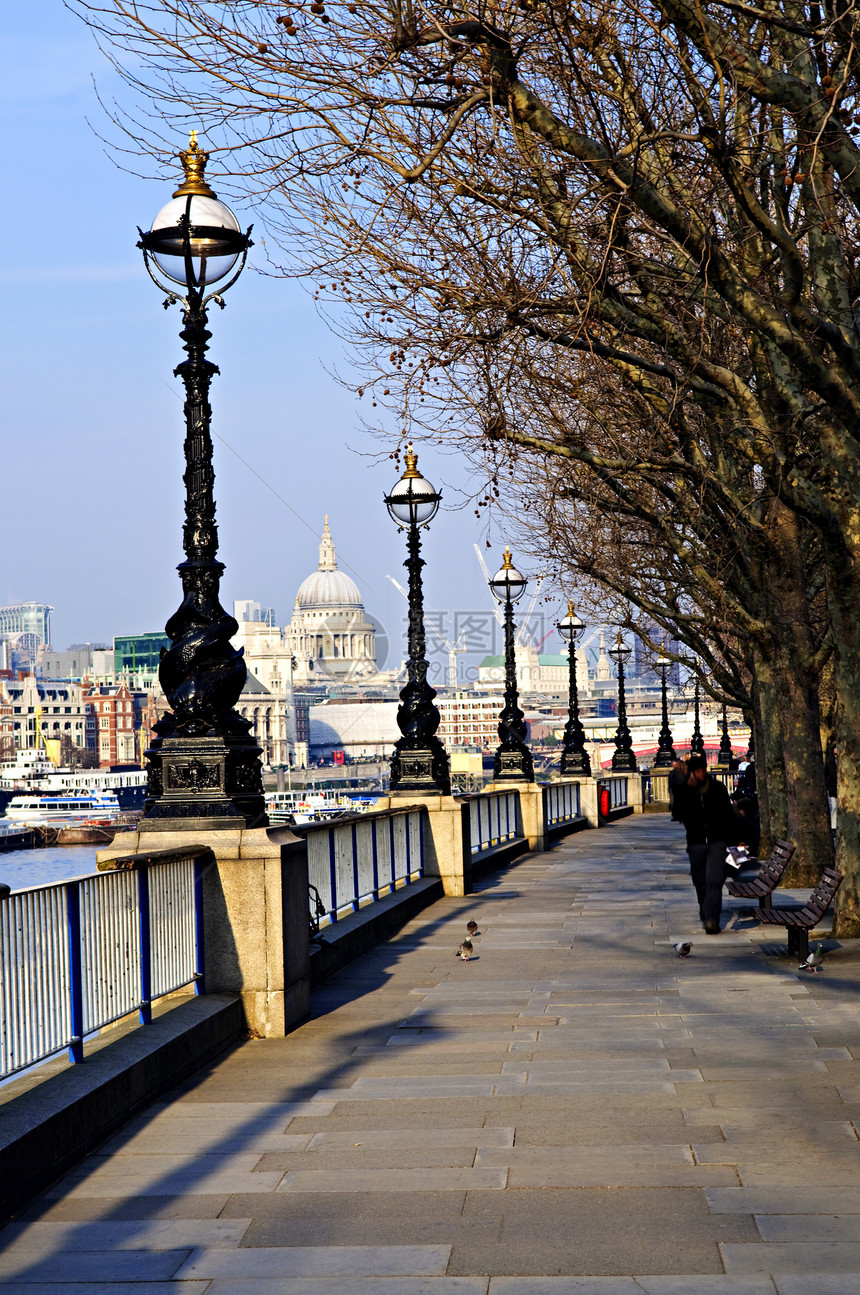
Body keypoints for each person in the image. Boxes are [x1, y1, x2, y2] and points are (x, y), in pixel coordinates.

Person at [673, 753, 738, 933]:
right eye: (696, 772)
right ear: (691, 773)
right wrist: (687, 790)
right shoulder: (683, 790)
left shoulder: (718, 788)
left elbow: (728, 816)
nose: (699, 775)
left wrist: (733, 842)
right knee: (700, 880)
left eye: (701, 771)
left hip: (717, 841)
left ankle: (712, 918)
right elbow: (677, 814)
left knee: (714, 881)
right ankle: (704, 908)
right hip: (696, 841)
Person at [668, 757, 688, 821]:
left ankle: (676, 816)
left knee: (675, 803)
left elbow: (671, 781)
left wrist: (670, 789)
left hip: (676, 789)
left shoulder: (673, 772)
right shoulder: (685, 772)